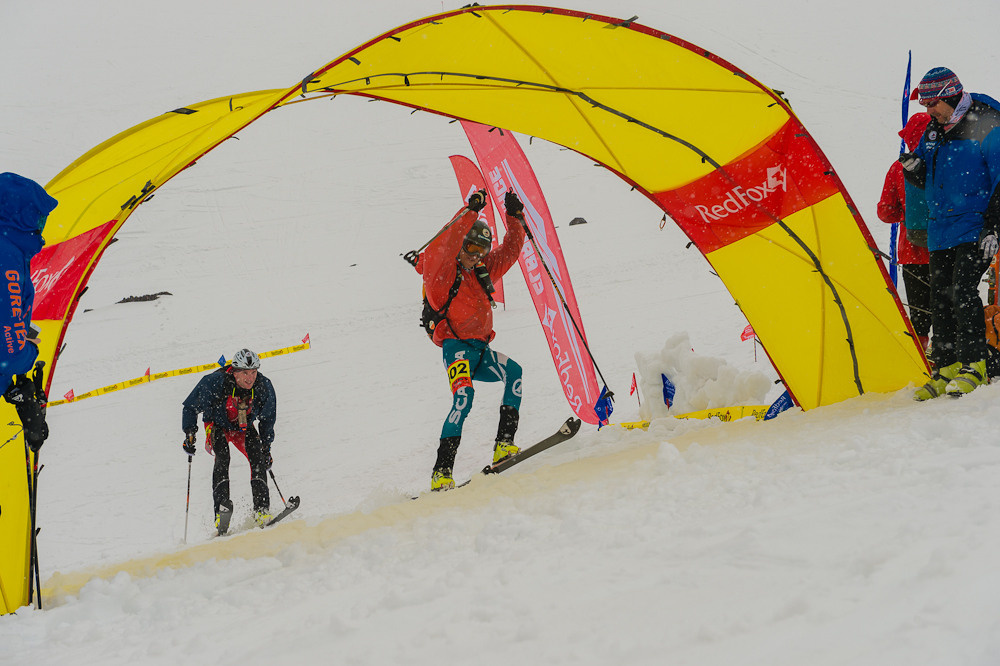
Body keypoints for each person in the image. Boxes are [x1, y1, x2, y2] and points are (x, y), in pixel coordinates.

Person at [900, 67, 1000, 399]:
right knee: (939, 297)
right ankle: (946, 366)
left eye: (933, 105)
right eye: (926, 106)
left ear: (950, 96)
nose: (929, 112)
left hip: (975, 225)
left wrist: (993, 227)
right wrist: (915, 170)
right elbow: (928, 176)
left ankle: (975, 363)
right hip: (941, 227)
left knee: (962, 290)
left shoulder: (985, 121)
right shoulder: (934, 130)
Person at [421, 189, 528, 491]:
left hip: (482, 350)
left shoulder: (482, 271)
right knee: (463, 398)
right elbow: (445, 243)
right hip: (457, 350)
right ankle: (441, 472)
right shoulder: (442, 276)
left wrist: (514, 217)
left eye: (481, 250)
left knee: (515, 373)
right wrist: (471, 212)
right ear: (461, 245)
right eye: (470, 247)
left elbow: (510, 251)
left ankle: (503, 444)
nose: (476, 255)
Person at [181, 348, 277, 530]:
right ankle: (221, 512)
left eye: (254, 372)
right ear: (234, 371)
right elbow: (190, 406)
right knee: (223, 456)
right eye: (245, 373)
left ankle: (262, 510)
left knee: (257, 457)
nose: (250, 378)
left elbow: (268, 417)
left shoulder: (263, 385)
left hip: (243, 427)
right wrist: (190, 433)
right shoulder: (214, 382)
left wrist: (267, 446)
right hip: (217, 425)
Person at [0, 172, 57, 451]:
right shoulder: (7, 255)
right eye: (38, 218)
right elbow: (8, 352)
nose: (41, 227)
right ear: (20, 216)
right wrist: (28, 353)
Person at [877, 112, 932, 353]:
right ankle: (948, 354)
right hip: (946, 247)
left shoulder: (898, 167)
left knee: (919, 312)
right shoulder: (943, 160)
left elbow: (885, 212)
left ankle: (921, 354)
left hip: (912, 250)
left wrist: (906, 216)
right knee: (947, 305)